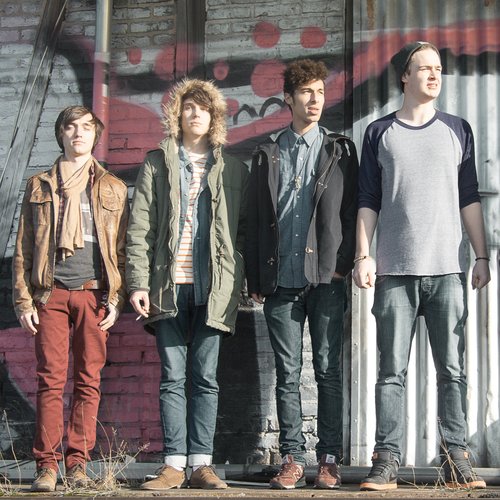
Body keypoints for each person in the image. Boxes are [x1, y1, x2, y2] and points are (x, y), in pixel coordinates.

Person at [353, 41, 491, 491]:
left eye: (439, 68)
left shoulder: (457, 129)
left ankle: (456, 460)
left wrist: (482, 255)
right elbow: (368, 199)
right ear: (404, 77)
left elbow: (468, 196)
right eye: (425, 68)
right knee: (390, 373)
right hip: (394, 271)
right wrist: (363, 254)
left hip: (447, 270)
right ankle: (386, 462)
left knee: (452, 371)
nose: (435, 75)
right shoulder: (379, 132)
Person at [126, 78, 248, 490]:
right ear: (177, 115)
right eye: (188, 107)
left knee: (206, 377)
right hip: (168, 285)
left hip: (214, 288)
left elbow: (242, 232)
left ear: (214, 117)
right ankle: (174, 464)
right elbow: (140, 227)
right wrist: (138, 283)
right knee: (173, 377)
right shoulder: (157, 163)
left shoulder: (233, 169)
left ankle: (201, 464)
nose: (195, 114)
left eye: (203, 108)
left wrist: (239, 279)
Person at [245, 59, 359, 489]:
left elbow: (352, 211)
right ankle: (292, 457)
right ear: (288, 98)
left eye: (320, 92)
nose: (315, 100)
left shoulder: (339, 150)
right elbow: (254, 218)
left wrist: (342, 264)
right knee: (287, 372)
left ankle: (328, 459)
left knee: (328, 369)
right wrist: (256, 277)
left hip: (326, 279)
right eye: (307, 92)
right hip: (280, 280)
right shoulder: (267, 152)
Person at [12, 105, 129, 492]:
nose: (79, 133)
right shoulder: (39, 185)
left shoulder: (113, 187)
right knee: (50, 381)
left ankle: (77, 464)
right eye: (71, 127)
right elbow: (24, 248)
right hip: (51, 294)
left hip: (93, 295)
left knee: (88, 381)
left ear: (96, 135)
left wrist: (116, 298)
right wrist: (24, 301)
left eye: (86, 127)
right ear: (60, 134)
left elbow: (121, 251)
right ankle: (46, 465)